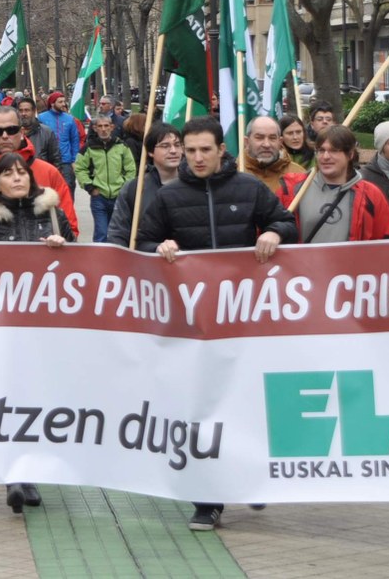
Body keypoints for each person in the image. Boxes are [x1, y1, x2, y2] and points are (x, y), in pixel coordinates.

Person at [134, 116, 297, 535]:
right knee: (200, 409)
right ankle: (207, 501)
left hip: (242, 318)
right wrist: (160, 246)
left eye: (205, 149)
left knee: (244, 403)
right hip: (194, 322)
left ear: (222, 149)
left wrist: (275, 234)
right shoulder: (169, 197)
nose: (197, 157)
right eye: (190, 151)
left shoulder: (248, 188)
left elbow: (286, 223)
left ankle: (250, 477)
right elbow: (142, 242)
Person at [0, 151, 70, 516]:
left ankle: (31, 472)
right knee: (8, 397)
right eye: (8, 174)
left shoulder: (52, 214)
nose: (17, 179)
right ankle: (14, 474)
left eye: (22, 172)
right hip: (2, 327)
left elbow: (78, 266)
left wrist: (63, 250)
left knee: (38, 397)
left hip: (44, 325)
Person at [0, 106, 78, 244]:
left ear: (22, 132)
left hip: (44, 263)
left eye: (11, 130)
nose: (4, 136)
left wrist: (60, 246)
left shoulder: (49, 172)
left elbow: (69, 227)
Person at [292, 126, 389, 242]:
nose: (325, 157)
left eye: (334, 150)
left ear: (350, 155)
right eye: (321, 150)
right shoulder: (294, 189)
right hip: (304, 260)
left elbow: (385, 242)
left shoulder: (371, 195)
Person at [109, 124, 183, 248]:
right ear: (150, 152)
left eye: (177, 145)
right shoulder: (135, 189)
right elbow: (118, 234)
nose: (173, 151)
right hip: (143, 262)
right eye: (165, 146)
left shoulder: (193, 185)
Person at [75, 113, 135, 243]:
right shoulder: (88, 147)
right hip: (99, 196)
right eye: (100, 126)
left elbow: (130, 168)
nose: (103, 129)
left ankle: (115, 259)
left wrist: (124, 187)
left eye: (106, 126)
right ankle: (99, 260)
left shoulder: (121, 146)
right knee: (101, 232)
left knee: (117, 232)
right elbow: (80, 168)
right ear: (95, 128)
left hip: (118, 195)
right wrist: (90, 186)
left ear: (112, 127)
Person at [244, 116, 310, 200]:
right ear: (246, 142)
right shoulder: (234, 172)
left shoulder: (299, 174)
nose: (266, 144)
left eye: (272, 138)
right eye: (259, 138)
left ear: (280, 142)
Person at [37, 92, 84, 192]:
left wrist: (74, 159)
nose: (63, 104)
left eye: (64, 101)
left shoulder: (70, 119)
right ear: (53, 103)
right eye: (60, 102)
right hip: (47, 160)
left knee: (68, 187)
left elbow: (75, 140)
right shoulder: (41, 118)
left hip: (65, 161)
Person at [16, 95, 62, 168]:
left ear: (34, 111)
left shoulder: (46, 132)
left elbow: (56, 159)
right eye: (21, 110)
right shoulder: (12, 133)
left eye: (27, 110)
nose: (23, 114)